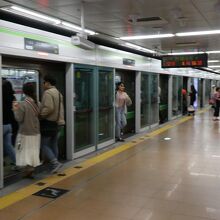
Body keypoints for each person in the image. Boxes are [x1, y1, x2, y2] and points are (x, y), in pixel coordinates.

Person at [13, 83, 40, 178]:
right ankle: (30, 168)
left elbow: (19, 119)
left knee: (24, 152)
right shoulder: (37, 103)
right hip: (36, 132)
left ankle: (28, 169)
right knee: (33, 151)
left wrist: (15, 109)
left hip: (25, 132)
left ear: (24, 91)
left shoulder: (23, 104)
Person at [40, 75, 65, 174]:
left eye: (44, 82)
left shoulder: (48, 93)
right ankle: (55, 163)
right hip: (59, 122)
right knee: (54, 143)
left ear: (48, 83)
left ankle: (55, 163)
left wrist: (41, 116)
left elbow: (49, 108)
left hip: (49, 123)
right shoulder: (58, 93)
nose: (43, 84)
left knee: (43, 145)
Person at [2, 79, 16, 167]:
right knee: (8, 145)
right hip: (9, 125)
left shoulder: (1, 98)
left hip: (2, 124)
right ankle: (16, 162)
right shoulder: (13, 98)